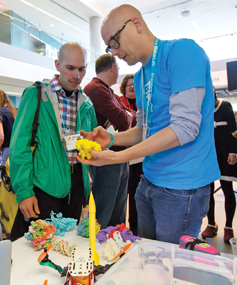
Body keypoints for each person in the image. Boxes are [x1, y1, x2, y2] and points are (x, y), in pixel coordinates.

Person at [77, 4, 221, 244]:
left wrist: (118, 157)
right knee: (149, 262)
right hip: (150, 181)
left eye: (115, 42)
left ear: (136, 24)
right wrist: (111, 139)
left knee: (170, 270)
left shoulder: (183, 52)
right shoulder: (142, 74)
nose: (114, 52)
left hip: (182, 186)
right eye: (109, 46)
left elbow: (185, 128)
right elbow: (145, 129)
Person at [9, 42, 97, 225]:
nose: (77, 75)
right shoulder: (36, 94)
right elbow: (19, 146)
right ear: (58, 65)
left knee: (67, 247)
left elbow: (91, 143)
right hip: (44, 185)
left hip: (76, 185)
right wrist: (24, 191)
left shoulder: (87, 103)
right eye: (70, 68)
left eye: (82, 69)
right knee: (39, 248)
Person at [83, 54, 136, 229]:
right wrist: (126, 115)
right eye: (118, 69)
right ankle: (98, 249)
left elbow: (130, 117)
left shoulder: (108, 91)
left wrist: (126, 114)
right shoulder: (95, 89)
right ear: (112, 67)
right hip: (105, 158)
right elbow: (124, 120)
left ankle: (116, 246)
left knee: (118, 212)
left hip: (117, 155)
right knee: (104, 211)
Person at [201, 91, 237, 243]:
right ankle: (211, 224)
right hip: (208, 157)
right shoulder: (202, 110)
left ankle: (228, 227)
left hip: (225, 156)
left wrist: (233, 152)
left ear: (213, 94)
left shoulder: (226, 107)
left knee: (227, 190)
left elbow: (234, 132)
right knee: (208, 192)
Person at [120, 74, 143, 235]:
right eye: (129, 84)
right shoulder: (119, 103)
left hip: (144, 155)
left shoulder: (143, 103)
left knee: (139, 194)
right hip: (125, 156)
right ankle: (128, 226)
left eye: (134, 84)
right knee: (126, 194)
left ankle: (136, 227)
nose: (132, 87)